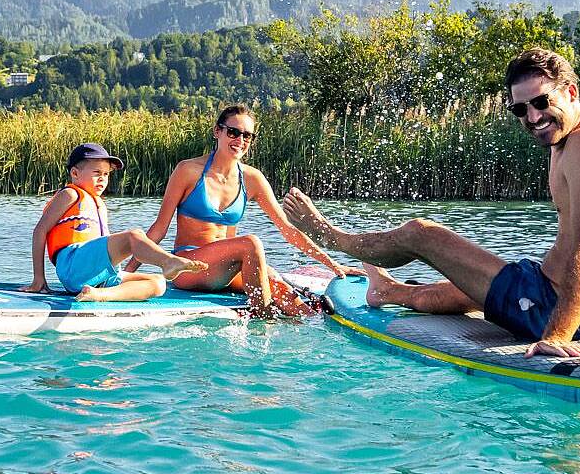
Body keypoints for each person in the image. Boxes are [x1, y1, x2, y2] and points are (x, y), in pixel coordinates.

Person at [283, 47, 580, 358]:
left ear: (570, 92)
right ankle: (389, 291)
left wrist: (556, 336)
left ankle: (330, 237)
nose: (533, 117)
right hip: (578, 304)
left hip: (551, 309)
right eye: (521, 110)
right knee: (465, 291)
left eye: (541, 102)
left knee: (420, 234)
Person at [145, 104, 348, 316]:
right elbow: (159, 229)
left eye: (247, 136)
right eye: (233, 132)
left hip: (227, 271)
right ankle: (264, 320)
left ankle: (308, 325)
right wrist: (123, 274)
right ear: (217, 131)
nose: (240, 141)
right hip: (189, 269)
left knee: (281, 288)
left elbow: (287, 229)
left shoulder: (252, 179)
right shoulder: (188, 171)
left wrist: (333, 265)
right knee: (250, 243)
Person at [26, 143, 209, 302]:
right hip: (73, 266)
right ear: (75, 173)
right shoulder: (70, 195)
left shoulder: (99, 205)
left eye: (106, 174)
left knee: (158, 283)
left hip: (97, 275)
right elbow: (40, 231)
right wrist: (39, 279)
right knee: (133, 236)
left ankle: (100, 295)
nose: (102, 179)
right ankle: (168, 261)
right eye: (97, 173)